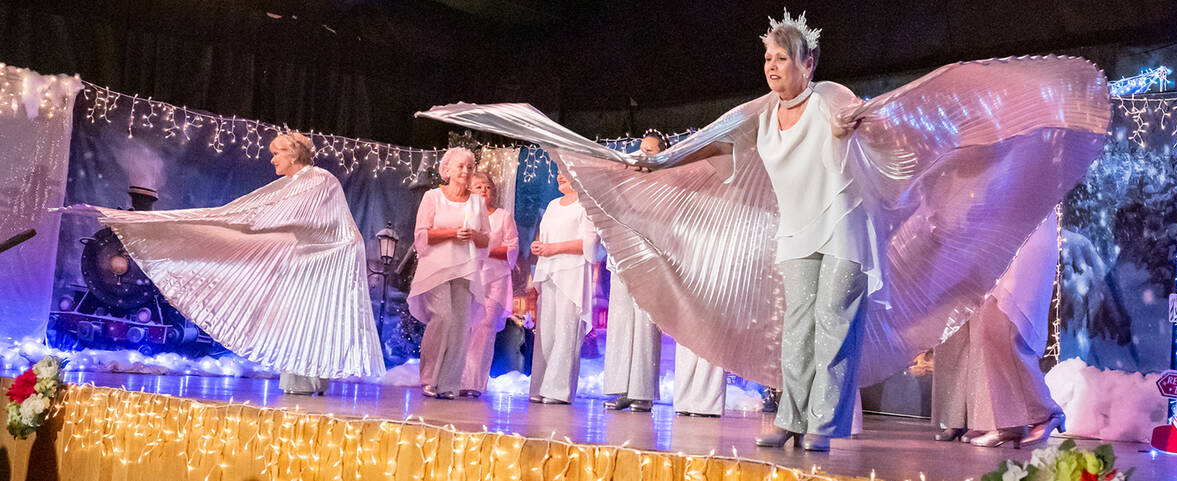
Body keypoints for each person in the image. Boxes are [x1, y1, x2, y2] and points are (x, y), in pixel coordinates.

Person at [417, 9, 1109, 450]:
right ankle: (793, 419)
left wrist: (856, 125)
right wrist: (656, 159)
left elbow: (865, 122)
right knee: (793, 333)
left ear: (809, 63)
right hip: (794, 240)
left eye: (785, 58)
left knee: (831, 334)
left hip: (842, 237)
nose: (775, 68)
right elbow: (709, 142)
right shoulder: (758, 113)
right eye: (769, 60)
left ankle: (817, 426)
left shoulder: (832, 98)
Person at [80, 132, 386, 392]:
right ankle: (302, 381)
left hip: (328, 257)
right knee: (297, 316)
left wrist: (238, 223)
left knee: (306, 316)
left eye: (277, 153)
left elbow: (299, 218)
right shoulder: (299, 182)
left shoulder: (317, 179)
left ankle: (308, 381)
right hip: (310, 254)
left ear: (293, 156)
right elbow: (275, 213)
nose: (272, 159)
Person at [932, 214, 1065, 447]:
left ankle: (1039, 414)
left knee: (1003, 324)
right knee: (977, 322)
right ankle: (992, 418)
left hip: (1022, 230)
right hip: (997, 228)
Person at [408, 147, 491, 399]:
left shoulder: (477, 202)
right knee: (442, 317)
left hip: (465, 268)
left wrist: (473, 235)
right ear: (447, 170)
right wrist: (452, 232)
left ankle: (449, 383)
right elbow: (421, 234)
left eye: (469, 167)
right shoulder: (433, 197)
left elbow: (486, 239)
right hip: (436, 267)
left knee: (460, 324)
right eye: (460, 166)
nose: (465, 171)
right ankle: (429, 377)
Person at [603, 132, 668, 412]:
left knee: (645, 324)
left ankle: (642, 391)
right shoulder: (623, 182)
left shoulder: (665, 184)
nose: (644, 155)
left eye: (651, 151)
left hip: (648, 260)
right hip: (621, 257)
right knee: (620, 323)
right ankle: (621, 388)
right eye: (642, 149)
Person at [528, 172, 601, 404]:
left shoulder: (586, 204)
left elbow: (590, 243)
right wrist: (539, 246)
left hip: (572, 272)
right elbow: (546, 236)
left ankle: (558, 390)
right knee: (547, 331)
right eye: (557, 171)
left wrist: (554, 249)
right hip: (550, 270)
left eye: (565, 171)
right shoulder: (552, 205)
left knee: (566, 331)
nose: (560, 176)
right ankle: (540, 385)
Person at [459, 172, 519, 398]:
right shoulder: (464, 216)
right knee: (464, 330)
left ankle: (474, 384)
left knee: (484, 330)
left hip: (495, 280)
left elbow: (512, 249)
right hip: (469, 278)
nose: (484, 190)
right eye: (478, 187)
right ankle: (456, 379)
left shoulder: (503, 217)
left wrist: (484, 250)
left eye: (488, 187)